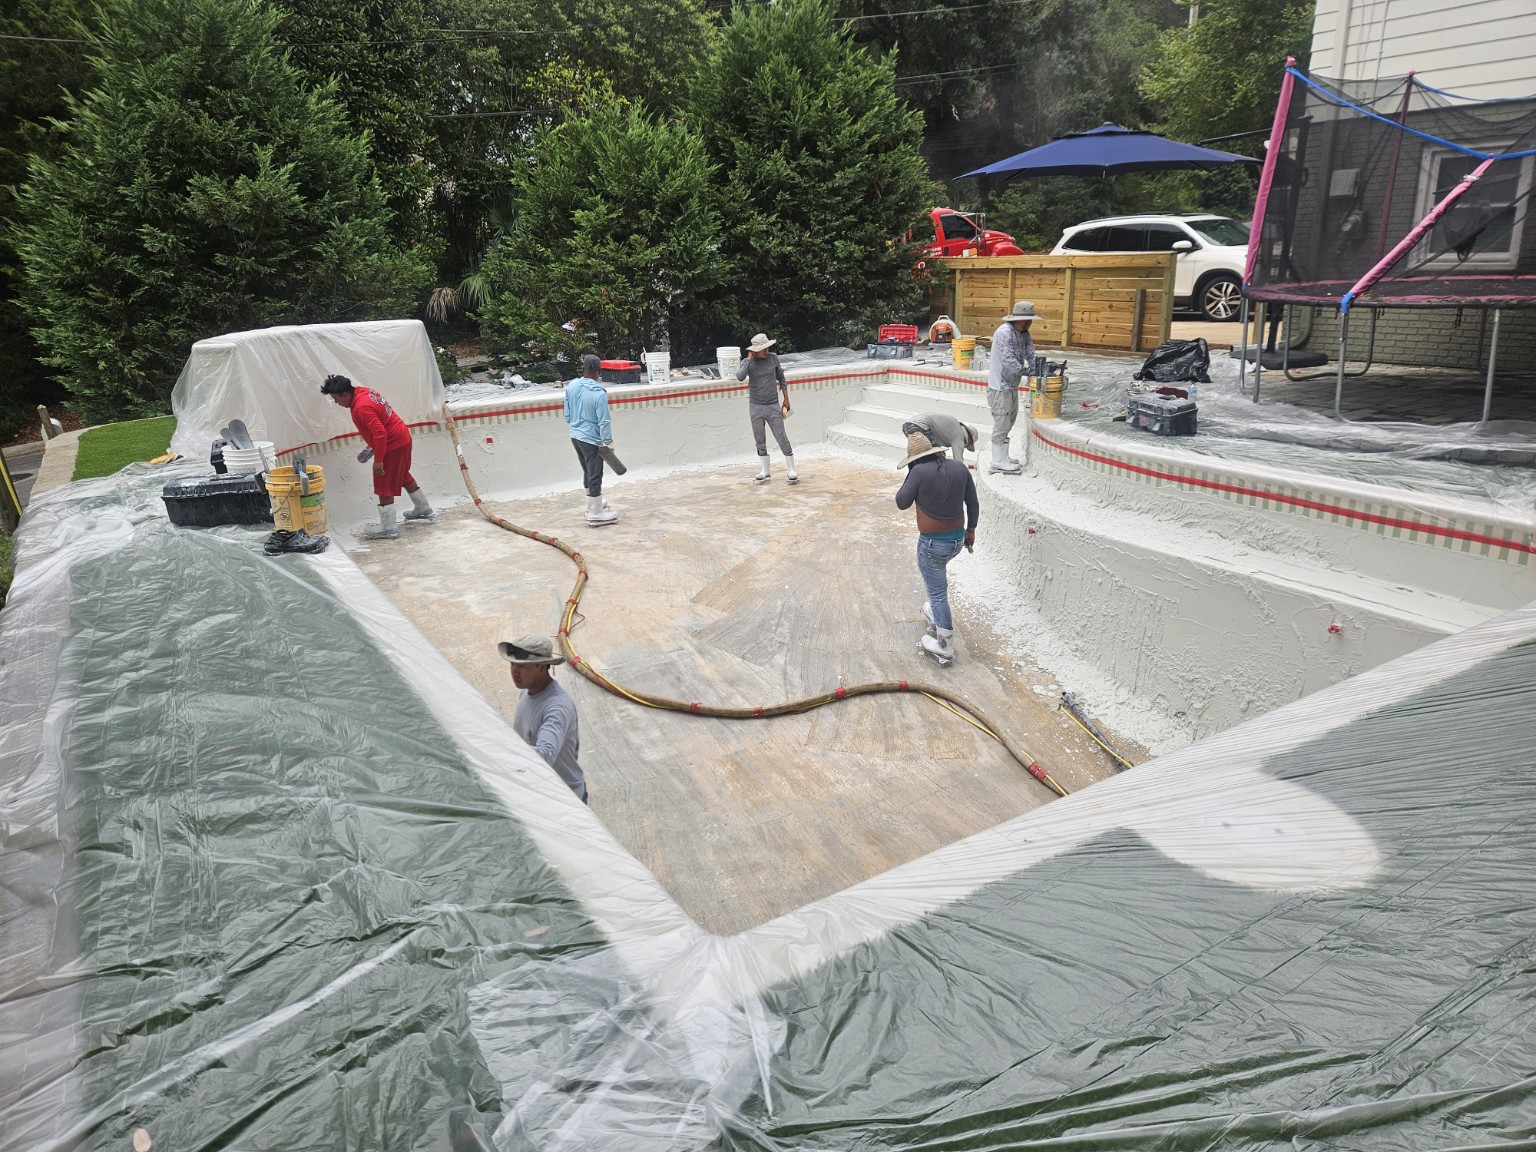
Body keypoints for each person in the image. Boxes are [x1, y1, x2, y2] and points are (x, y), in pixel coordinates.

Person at [895, 429, 979, 664]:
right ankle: (935, 611)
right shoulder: (959, 467)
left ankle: (944, 644)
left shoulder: (919, 472)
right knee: (938, 585)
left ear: (914, 460)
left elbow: (901, 502)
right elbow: (972, 502)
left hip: (933, 544)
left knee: (938, 592)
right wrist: (971, 530)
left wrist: (912, 473)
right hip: (957, 541)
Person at [320, 374, 434, 539]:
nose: (336, 403)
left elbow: (380, 433)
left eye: (336, 398)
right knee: (402, 475)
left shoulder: (361, 407)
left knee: (383, 482)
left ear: (345, 394)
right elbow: (381, 423)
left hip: (392, 445)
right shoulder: (364, 392)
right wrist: (373, 446)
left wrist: (378, 460)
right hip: (401, 438)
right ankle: (423, 509)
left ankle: (388, 527)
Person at [500, 635, 587, 803]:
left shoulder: (557, 707)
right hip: (541, 792)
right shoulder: (526, 692)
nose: (515, 672)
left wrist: (501, 750)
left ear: (542, 667)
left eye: (523, 666)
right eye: (512, 664)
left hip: (566, 800)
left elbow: (545, 754)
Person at [564, 353, 618, 526]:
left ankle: (593, 502)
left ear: (583, 369)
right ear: (599, 372)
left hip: (575, 436)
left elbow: (567, 413)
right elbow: (604, 421)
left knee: (587, 470)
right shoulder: (599, 393)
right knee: (595, 473)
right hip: (591, 440)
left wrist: (576, 424)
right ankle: (595, 513)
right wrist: (608, 443)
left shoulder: (572, 385)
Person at [736, 332, 797, 483]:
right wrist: (748, 360)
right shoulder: (748, 362)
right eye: (763, 349)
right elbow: (740, 376)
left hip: (772, 405)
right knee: (759, 439)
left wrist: (786, 399)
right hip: (755, 406)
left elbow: (781, 378)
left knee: (781, 436)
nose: (766, 351)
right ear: (754, 351)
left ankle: (791, 469)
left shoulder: (773, 358)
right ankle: (765, 470)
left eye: (767, 348)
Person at [986, 300, 1037, 475]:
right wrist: (1026, 371)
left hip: (1011, 385)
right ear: (1017, 319)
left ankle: (1003, 457)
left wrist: (1035, 368)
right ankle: (997, 460)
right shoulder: (1004, 333)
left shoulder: (1024, 333)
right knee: (1001, 421)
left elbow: (1030, 351)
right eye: (1026, 320)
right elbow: (1008, 360)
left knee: (1009, 420)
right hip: (1000, 387)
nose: (1029, 323)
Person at [903, 413, 978, 464]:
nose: (965, 446)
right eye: (969, 444)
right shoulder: (959, 434)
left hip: (907, 426)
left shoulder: (952, 428)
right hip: (920, 426)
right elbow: (958, 462)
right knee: (938, 456)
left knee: (922, 456)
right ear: (969, 437)